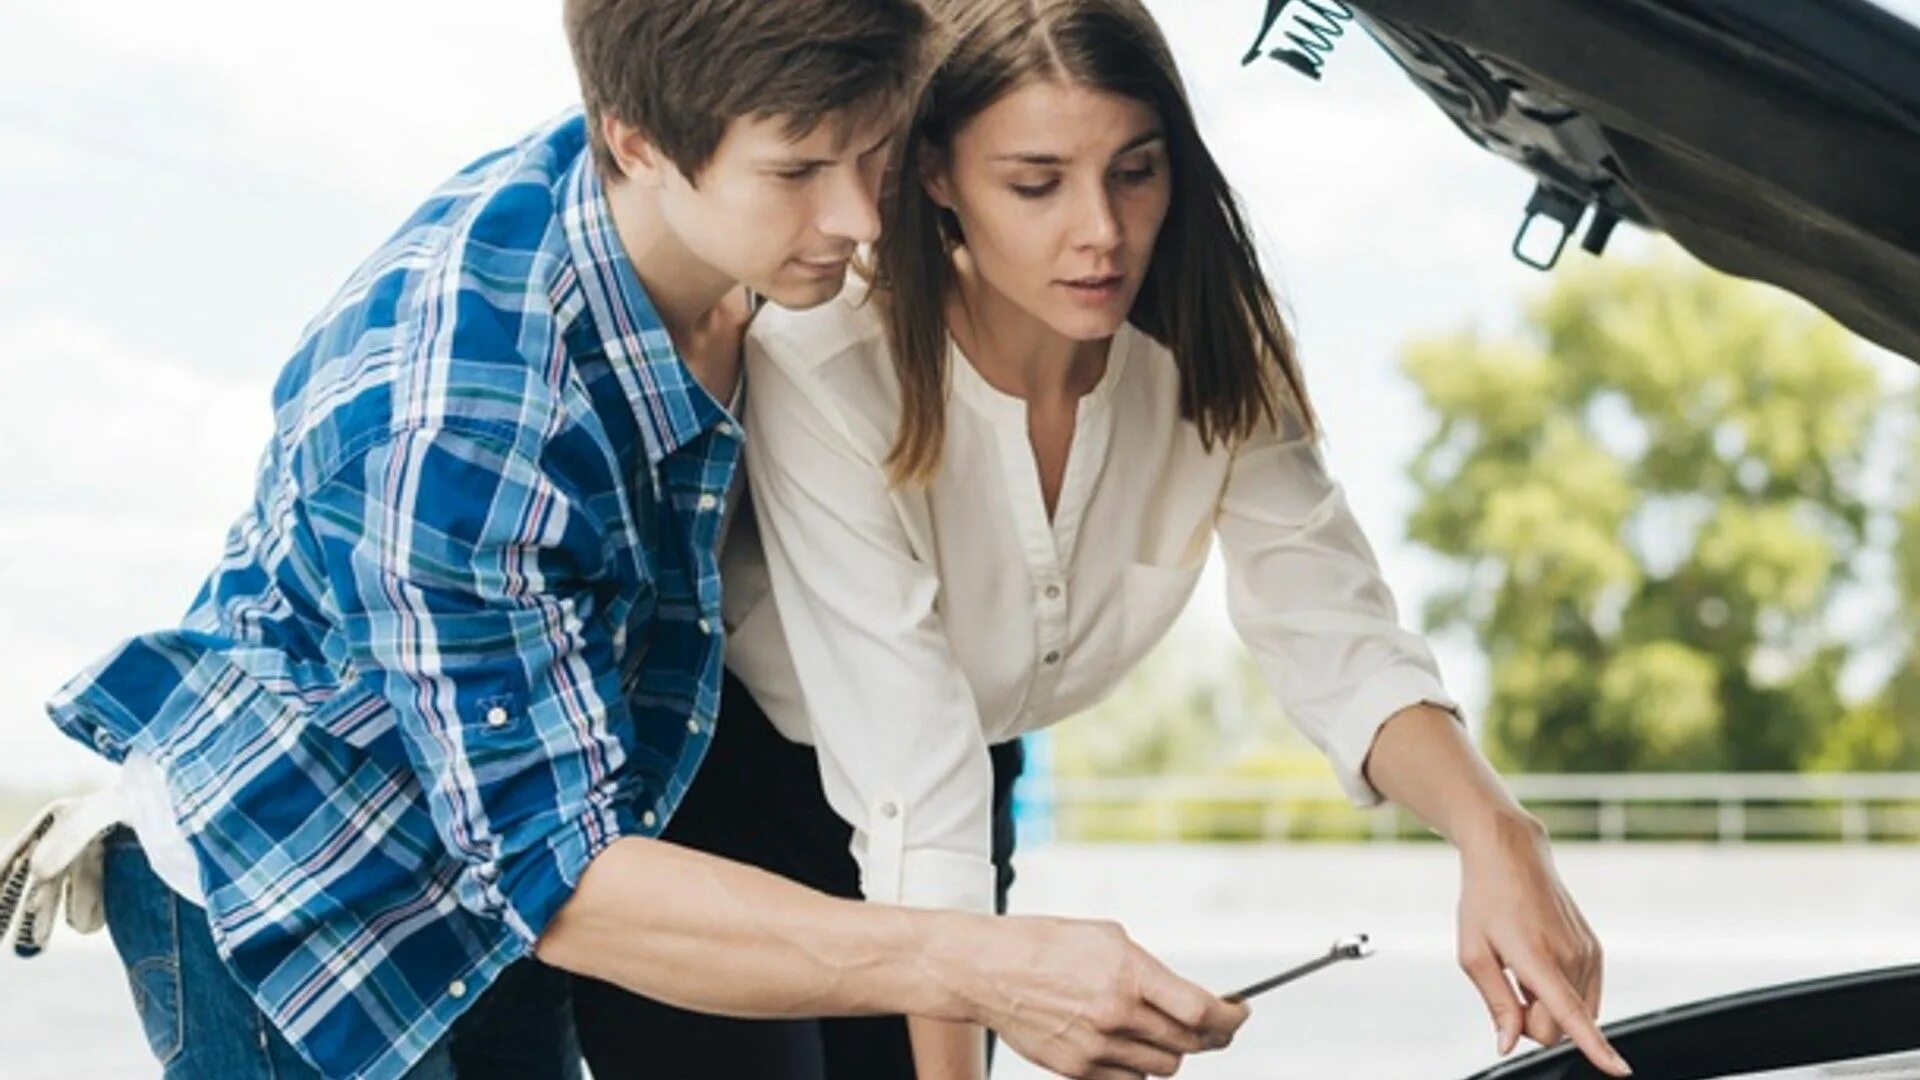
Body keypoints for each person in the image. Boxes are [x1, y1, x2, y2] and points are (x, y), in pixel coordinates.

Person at [0, 3, 1249, 1078]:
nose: (864, 218)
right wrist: (987, 967)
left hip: (509, 875)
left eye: (875, 152)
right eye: (802, 169)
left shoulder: (734, 208)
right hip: (317, 890)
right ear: (636, 143)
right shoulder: (461, 415)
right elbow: (569, 881)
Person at [575, 1, 1637, 1079]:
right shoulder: (825, 359)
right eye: (1036, 184)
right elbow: (909, 774)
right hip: (730, 800)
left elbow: (1334, 628)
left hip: (963, 773)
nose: (1103, 231)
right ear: (933, 174)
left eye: (1136, 171)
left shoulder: (1215, 344)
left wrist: (1496, 835)